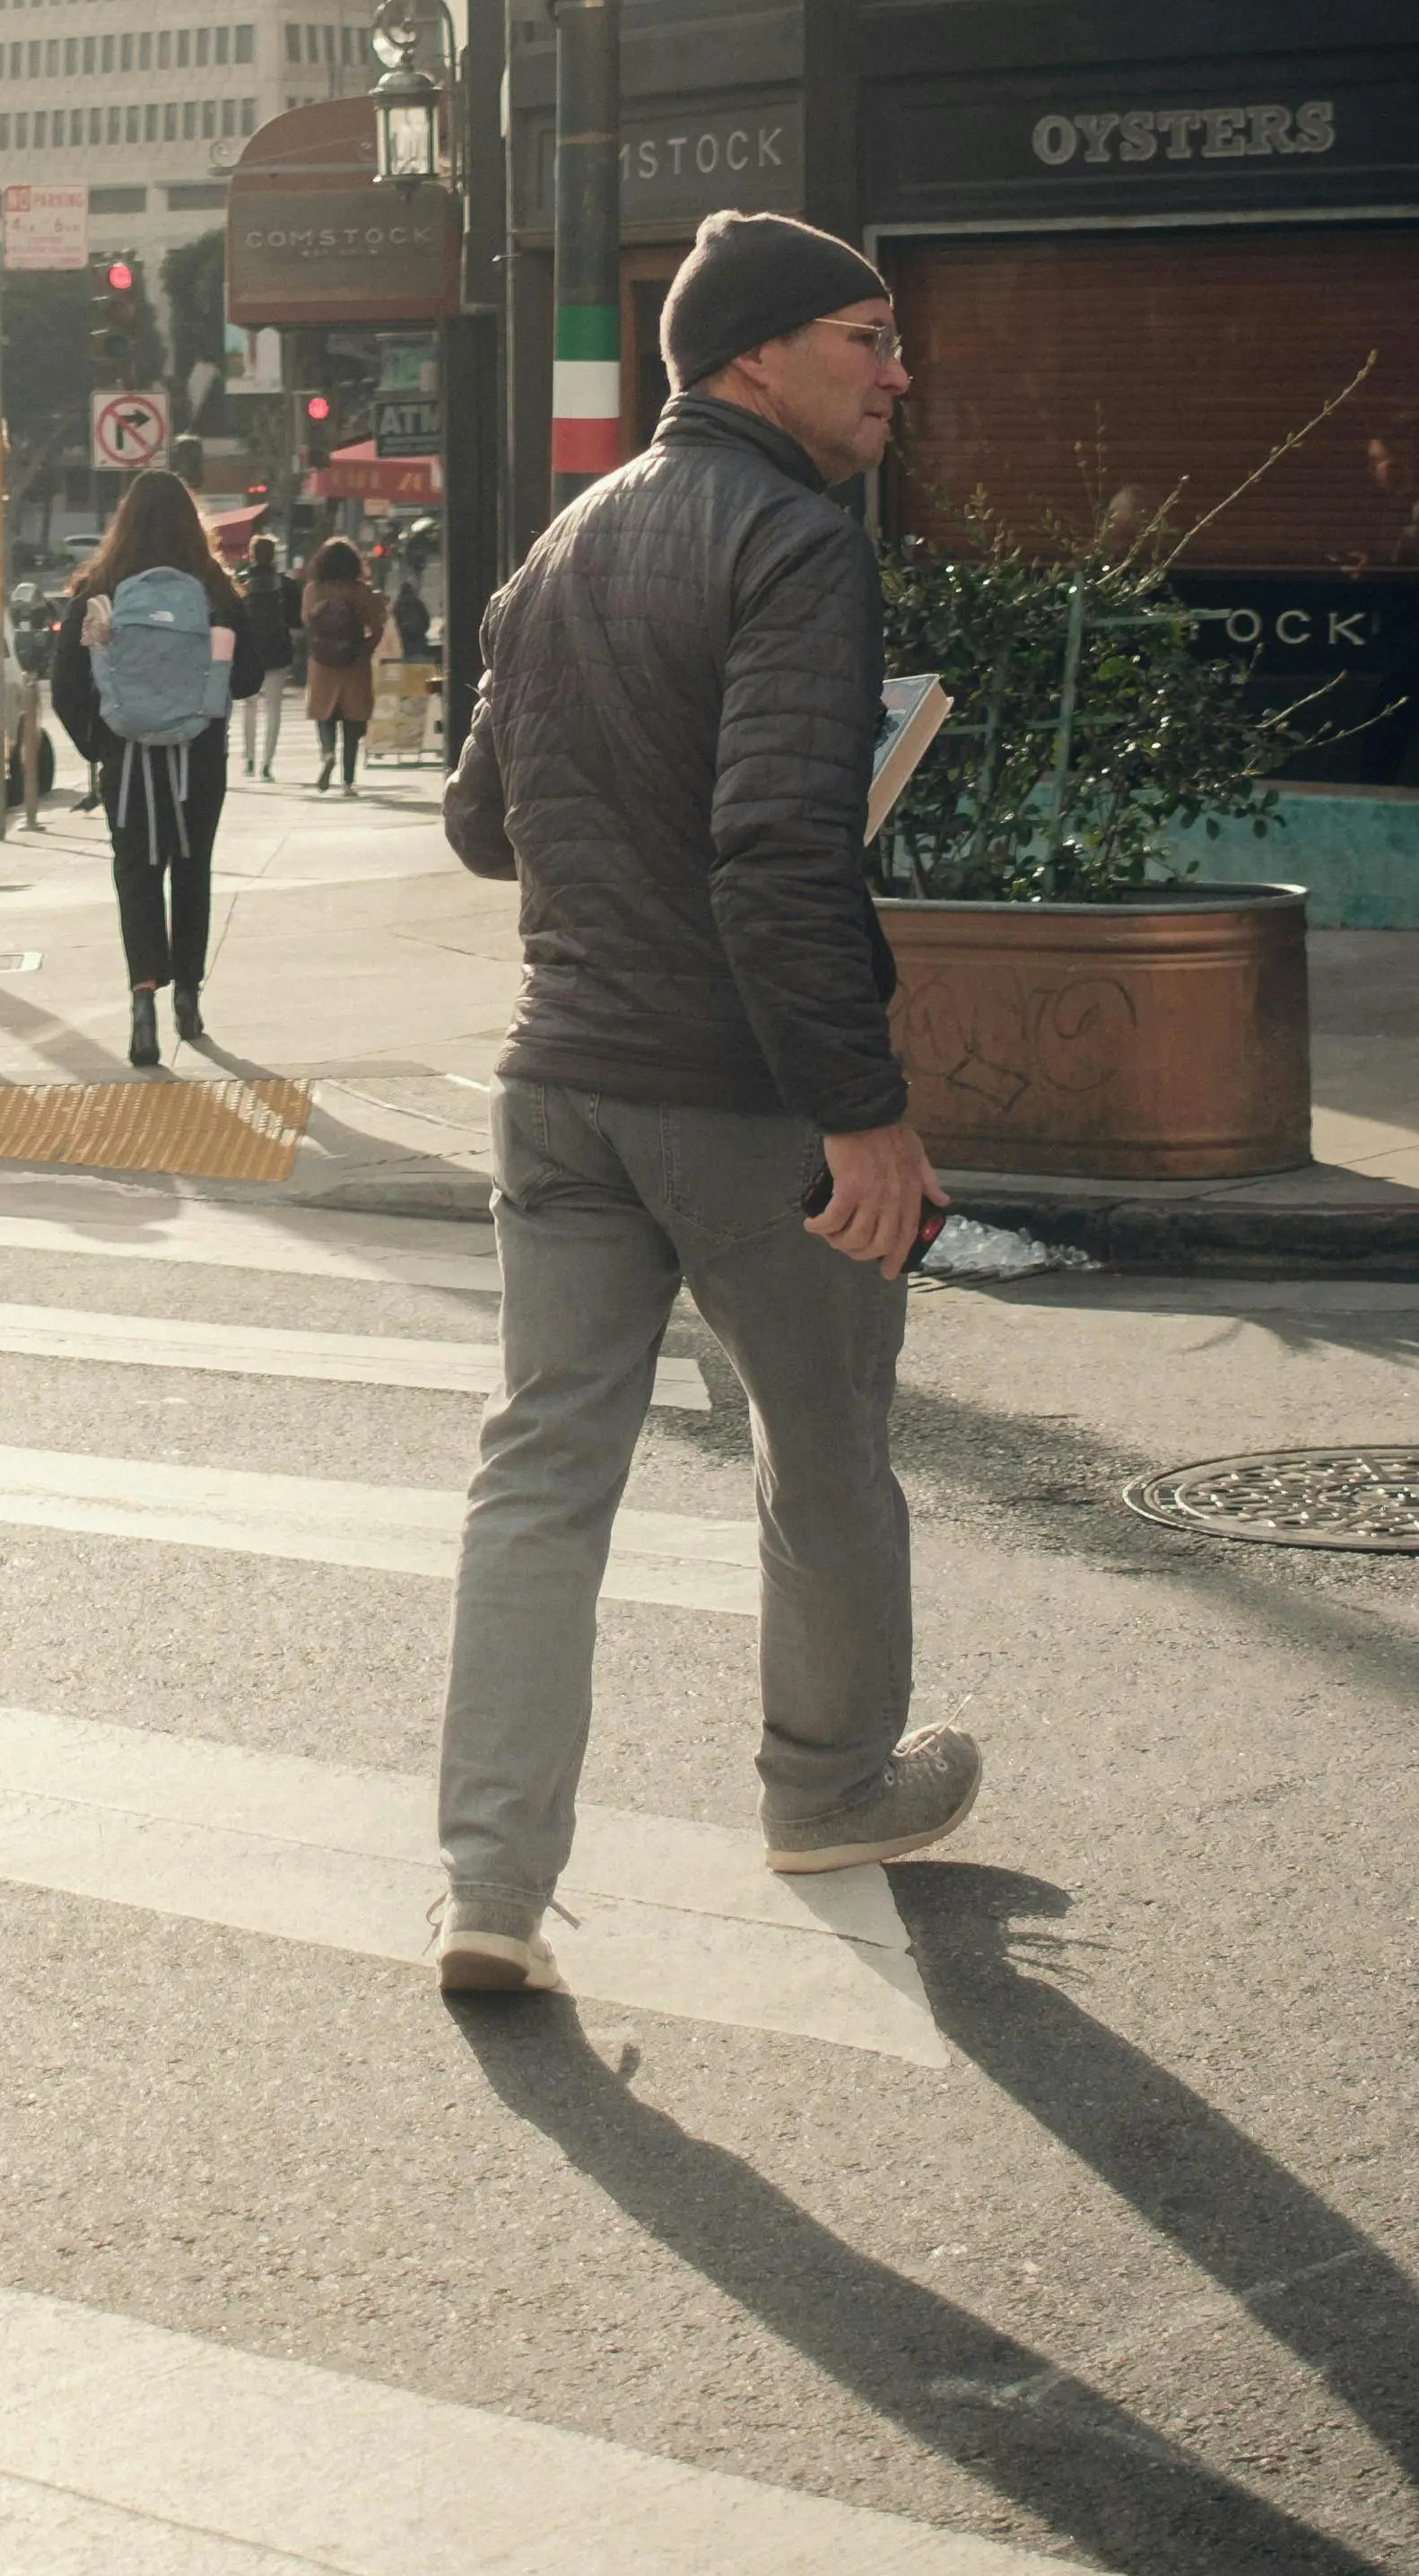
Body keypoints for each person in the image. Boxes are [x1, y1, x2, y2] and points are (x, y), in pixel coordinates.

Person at [426, 209, 968, 1997]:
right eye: (865, 340)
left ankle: (490, 1886)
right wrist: (865, 1109)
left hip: (559, 1078)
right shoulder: (796, 542)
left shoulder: (560, 546)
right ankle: (826, 1789)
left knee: (541, 1475)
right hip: (736, 1093)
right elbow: (771, 846)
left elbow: (480, 825)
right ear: (755, 358)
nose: (898, 374)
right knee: (822, 1452)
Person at [47, 467, 242, 1067]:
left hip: (127, 761)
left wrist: (100, 745)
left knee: (136, 874)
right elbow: (255, 671)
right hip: (198, 758)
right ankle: (188, 992)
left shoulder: (99, 589)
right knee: (191, 869)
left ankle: (142, 1002)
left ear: (122, 522)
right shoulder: (213, 590)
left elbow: (65, 687)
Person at [298, 537, 383, 797]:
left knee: (324, 715)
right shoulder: (360, 591)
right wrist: (365, 649)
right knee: (352, 722)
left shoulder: (314, 590)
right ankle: (348, 780)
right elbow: (376, 627)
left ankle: (326, 754)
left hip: (322, 663)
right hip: (354, 662)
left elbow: (306, 621)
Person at [232, 529, 300, 782]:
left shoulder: (240, 584)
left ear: (251, 555)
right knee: (274, 709)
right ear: (274, 556)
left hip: (249, 651)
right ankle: (267, 763)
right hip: (278, 651)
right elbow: (296, 623)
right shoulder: (288, 585)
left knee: (249, 706)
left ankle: (249, 759)